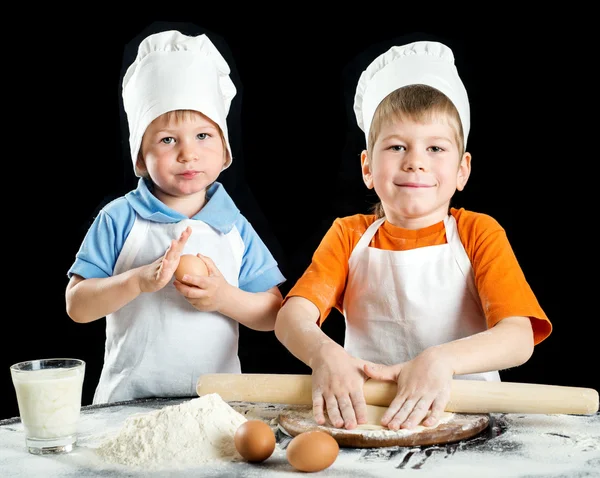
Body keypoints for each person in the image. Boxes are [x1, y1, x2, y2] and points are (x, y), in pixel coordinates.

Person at [274, 40, 552, 431]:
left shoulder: (478, 233)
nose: (415, 162)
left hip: (468, 419)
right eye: (397, 146)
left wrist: (441, 360)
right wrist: (324, 354)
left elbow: (518, 338)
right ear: (368, 168)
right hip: (368, 420)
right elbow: (291, 318)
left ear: (462, 170)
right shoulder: (348, 235)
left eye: (435, 147)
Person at [65, 29, 285, 404]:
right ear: (140, 156)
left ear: (224, 149)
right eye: (168, 140)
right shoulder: (119, 218)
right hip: (126, 404)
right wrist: (136, 281)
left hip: (216, 405)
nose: (189, 154)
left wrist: (224, 297)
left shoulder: (233, 225)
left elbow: (272, 313)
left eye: (203, 136)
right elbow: (77, 306)